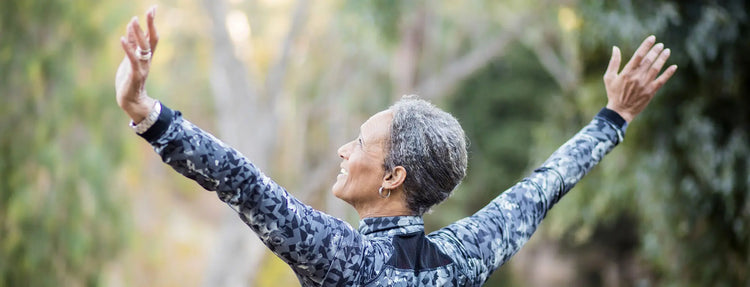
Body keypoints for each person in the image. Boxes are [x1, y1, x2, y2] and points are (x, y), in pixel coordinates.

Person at [115, 7, 677, 287]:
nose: (342, 149)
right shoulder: (466, 255)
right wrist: (613, 116)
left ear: (392, 177)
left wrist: (148, 113)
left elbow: (245, 183)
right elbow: (543, 188)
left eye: (360, 142)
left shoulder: (349, 260)